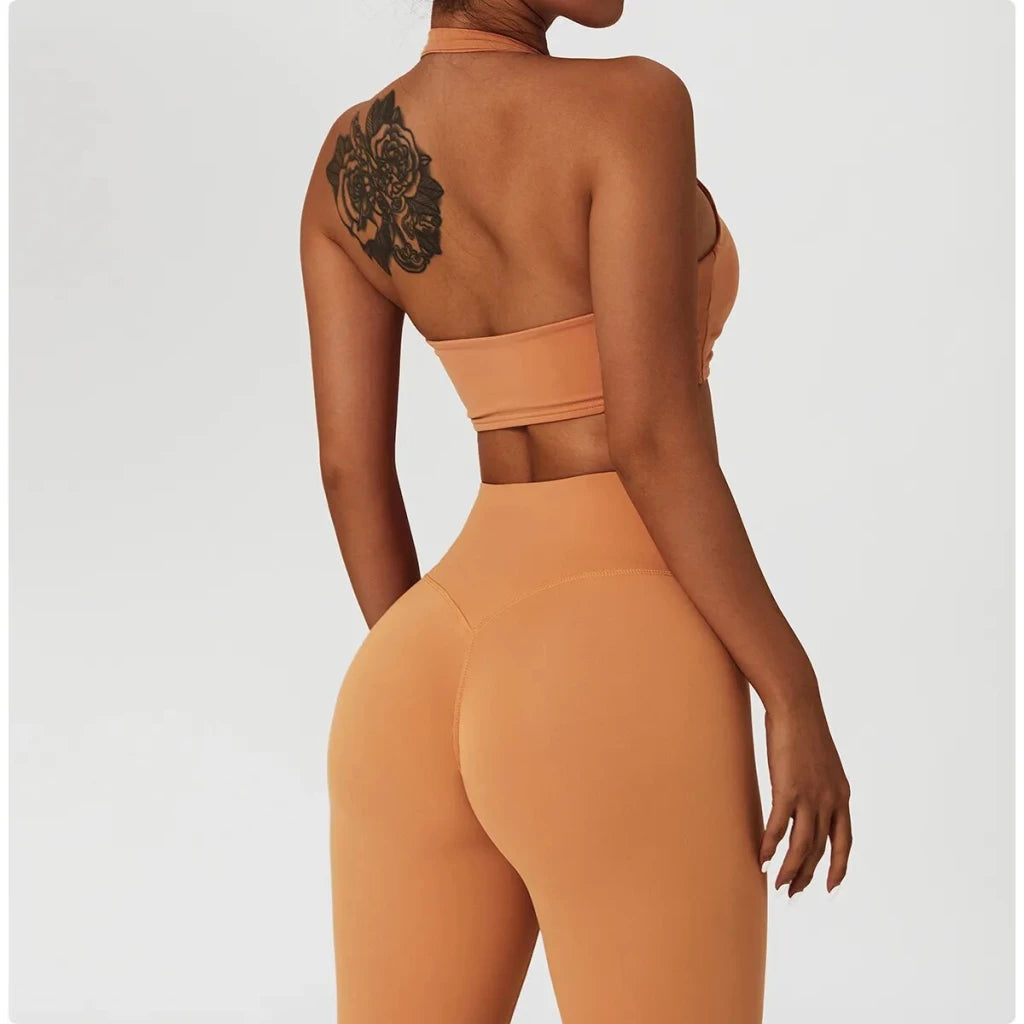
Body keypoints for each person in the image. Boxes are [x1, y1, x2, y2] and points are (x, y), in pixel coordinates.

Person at [300, 1, 852, 1020]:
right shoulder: (632, 103)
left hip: (412, 672)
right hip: (615, 653)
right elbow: (650, 437)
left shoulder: (348, 162)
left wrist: (462, 709)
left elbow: (349, 469)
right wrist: (791, 689)